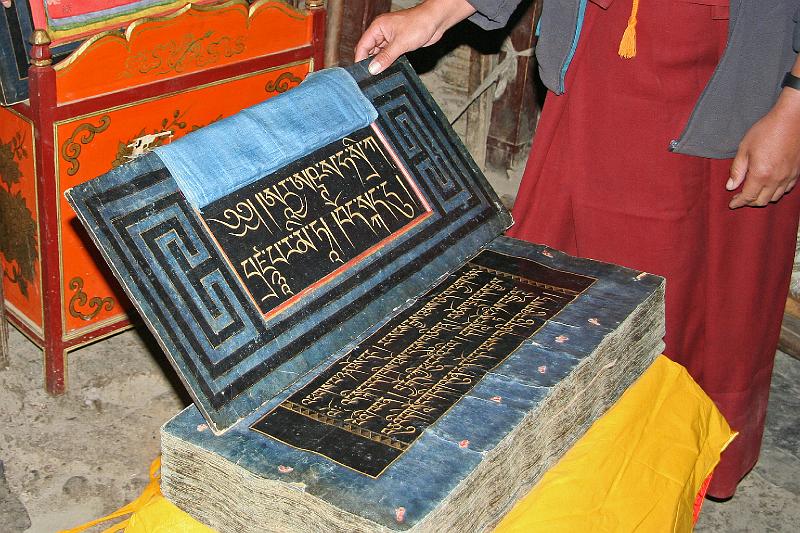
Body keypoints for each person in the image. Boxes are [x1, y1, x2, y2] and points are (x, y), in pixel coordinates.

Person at [356, 0, 800, 500]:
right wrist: (437, 12)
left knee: (687, 308)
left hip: (727, 71)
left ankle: (657, 475)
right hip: (600, 54)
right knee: (553, 288)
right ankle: (562, 475)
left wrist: (795, 106)